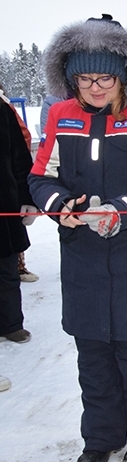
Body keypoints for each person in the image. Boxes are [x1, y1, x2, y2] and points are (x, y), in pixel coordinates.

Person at [29, 16, 127, 462]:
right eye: (84, 78)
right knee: (92, 352)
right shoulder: (60, 116)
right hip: (83, 257)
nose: (94, 88)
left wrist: (120, 208)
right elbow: (39, 177)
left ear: (125, 77)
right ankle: (101, 437)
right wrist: (61, 205)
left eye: (105, 78)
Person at [1, 98, 36, 344]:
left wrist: (27, 197)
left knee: (5, 267)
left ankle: (11, 323)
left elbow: (20, 156)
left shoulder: (2, 110)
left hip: (4, 201)